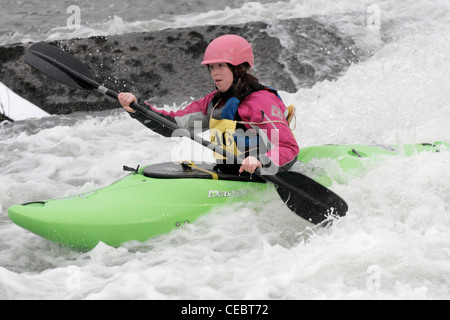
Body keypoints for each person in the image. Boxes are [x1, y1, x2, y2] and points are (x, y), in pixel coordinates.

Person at [118, 34, 299, 175]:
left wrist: (261, 160)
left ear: (238, 68)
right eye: (211, 67)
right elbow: (172, 125)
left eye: (220, 65)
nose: (214, 73)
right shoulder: (214, 102)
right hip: (232, 174)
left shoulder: (262, 102)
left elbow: (288, 148)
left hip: (267, 172)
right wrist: (137, 108)